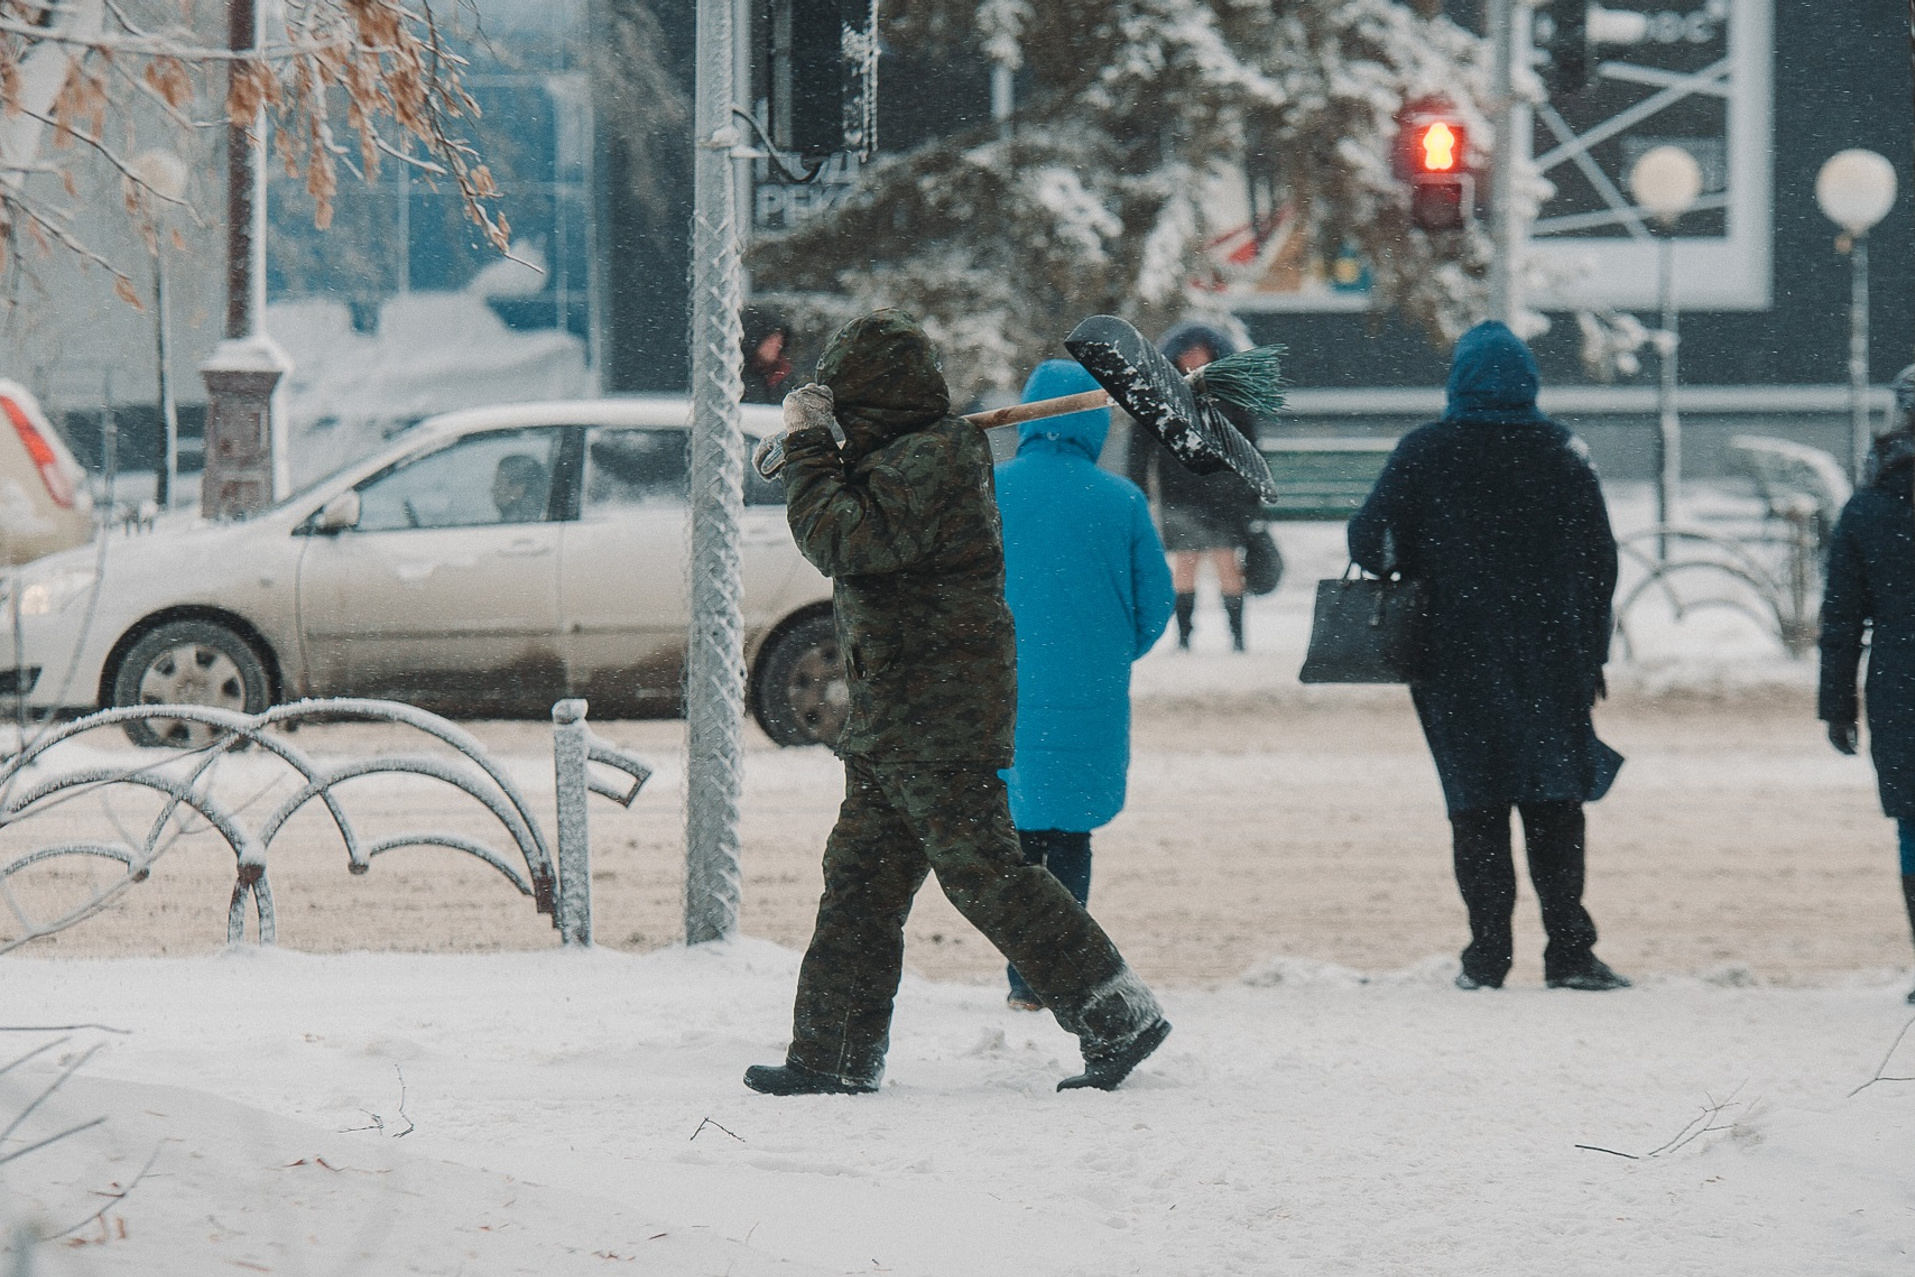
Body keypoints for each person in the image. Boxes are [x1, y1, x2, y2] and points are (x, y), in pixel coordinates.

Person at [743, 311, 1172, 1096]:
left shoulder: (930, 461)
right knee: (861, 880)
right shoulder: (908, 452)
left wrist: (807, 447)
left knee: (985, 872)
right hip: (893, 706)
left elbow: (841, 538)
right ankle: (833, 1052)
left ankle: (1117, 1014)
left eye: (841, 398)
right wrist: (825, 449)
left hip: (937, 708)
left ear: (868, 396)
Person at [1348, 321, 1630, 993]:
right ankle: (1568, 951)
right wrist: (1590, 651)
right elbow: (1600, 562)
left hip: (1453, 659)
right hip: (1551, 659)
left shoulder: (1426, 451)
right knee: (1553, 800)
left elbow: (1368, 540)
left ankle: (1486, 954)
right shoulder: (1561, 452)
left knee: (1475, 805)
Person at [994, 360, 1177, 1011]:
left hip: (1004, 695)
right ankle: (1064, 972)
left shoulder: (991, 489)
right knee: (1071, 837)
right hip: (1088, 697)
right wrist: (1107, 651)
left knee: (1015, 843)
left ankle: (1023, 978)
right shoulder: (1119, 500)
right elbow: (1155, 606)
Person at [1819, 362, 1915, 1005]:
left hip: (1901, 683)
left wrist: (1838, 704)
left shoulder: (1869, 506)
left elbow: (1842, 617)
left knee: (1913, 823)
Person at [1126, 321, 1262, 652]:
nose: (1195, 359)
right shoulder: (1159, 396)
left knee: (1226, 563)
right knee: (1186, 563)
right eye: (1188, 352)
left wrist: (1251, 493)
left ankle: (1236, 636)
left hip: (1223, 496)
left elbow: (1251, 448)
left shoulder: (1229, 395)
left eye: (1201, 351)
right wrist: (1138, 488)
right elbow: (1139, 449)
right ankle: (1186, 636)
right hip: (1183, 495)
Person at [741, 305, 795, 405]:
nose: (777, 345)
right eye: (770, 340)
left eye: (780, 339)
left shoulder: (784, 376)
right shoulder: (738, 379)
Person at [490, 454, 548, 523]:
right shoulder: (540, 523)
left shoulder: (516, 528)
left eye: (498, 484)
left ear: (518, 489)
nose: (492, 490)